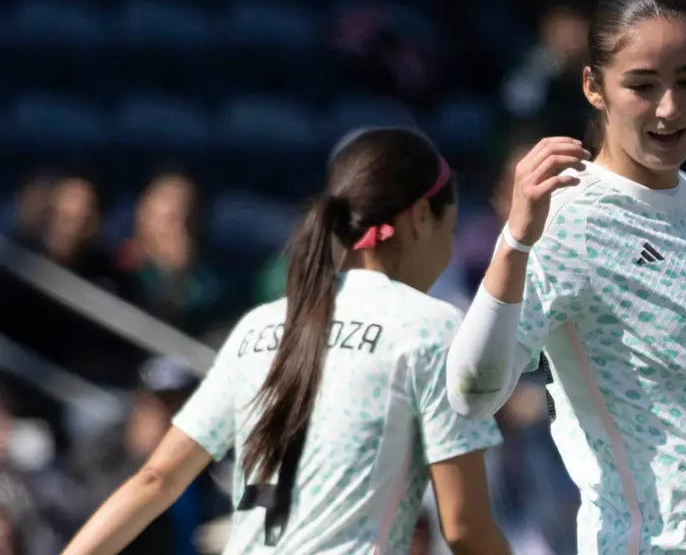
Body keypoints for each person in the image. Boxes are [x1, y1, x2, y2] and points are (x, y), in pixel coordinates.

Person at [62, 128, 508, 555]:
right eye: (449, 231)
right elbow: (464, 527)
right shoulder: (433, 328)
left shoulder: (259, 327)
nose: (448, 249)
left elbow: (155, 480)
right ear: (418, 220)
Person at [445, 0, 686, 554]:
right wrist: (516, 242)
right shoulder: (569, 218)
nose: (669, 108)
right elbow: (472, 393)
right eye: (642, 86)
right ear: (594, 87)